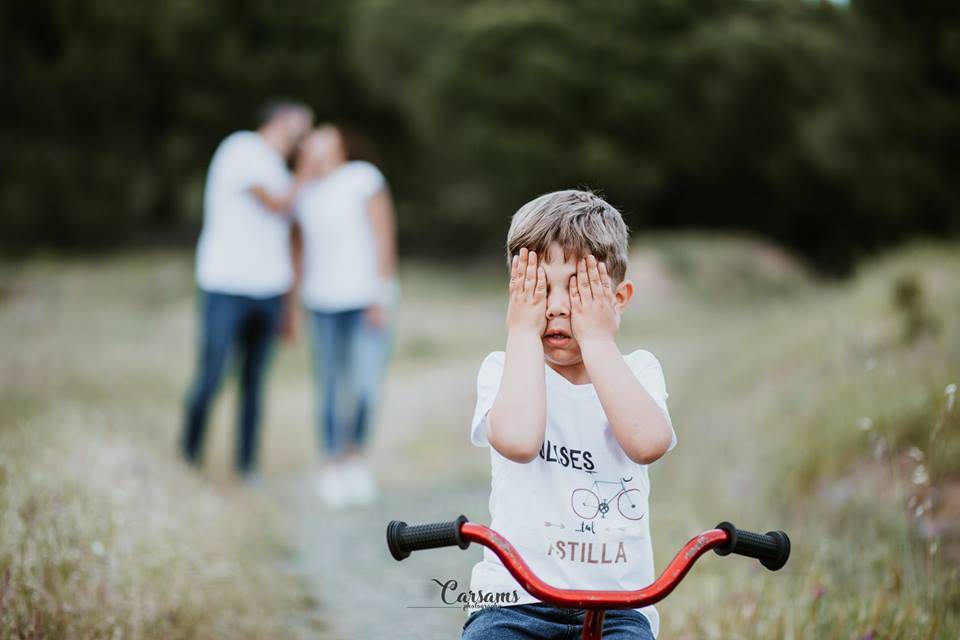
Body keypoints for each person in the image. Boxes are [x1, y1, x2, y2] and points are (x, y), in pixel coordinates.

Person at [462, 190, 677, 640]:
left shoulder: (637, 371)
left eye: (578, 289)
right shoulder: (504, 370)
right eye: (539, 289)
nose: (556, 306)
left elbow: (647, 444)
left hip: (619, 608)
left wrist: (597, 340)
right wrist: (522, 329)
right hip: (513, 601)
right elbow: (520, 442)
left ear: (618, 298)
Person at [182, 101, 314, 478]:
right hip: (226, 286)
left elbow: (290, 236)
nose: (303, 141)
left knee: (254, 384)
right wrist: (307, 169)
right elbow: (277, 204)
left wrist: (290, 306)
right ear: (281, 122)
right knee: (212, 374)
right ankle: (190, 455)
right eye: (301, 130)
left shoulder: (279, 168)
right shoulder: (241, 148)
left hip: (269, 290)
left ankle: (247, 465)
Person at [292, 125, 398, 507]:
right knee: (330, 388)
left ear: (338, 144)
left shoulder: (362, 178)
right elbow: (296, 246)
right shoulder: (303, 192)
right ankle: (332, 464)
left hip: (364, 298)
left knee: (366, 384)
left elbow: (384, 234)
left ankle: (356, 459)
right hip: (320, 301)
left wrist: (381, 293)